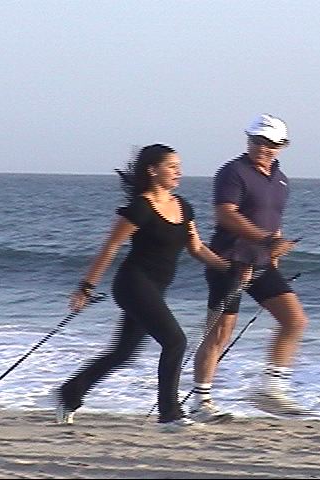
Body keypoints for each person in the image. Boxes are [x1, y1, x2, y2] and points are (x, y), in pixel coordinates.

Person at [55, 144, 229, 432]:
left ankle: (69, 394)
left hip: (155, 288)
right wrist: (85, 288)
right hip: (133, 284)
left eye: (179, 166)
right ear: (152, 170)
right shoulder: (141, 208)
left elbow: (197, 248)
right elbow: (110, 247)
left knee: (123, 353)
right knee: (175, 341)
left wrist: (230, 269)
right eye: (172, 166)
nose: (179, 172)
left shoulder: (183, 206)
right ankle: (169, 415)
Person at [188, 114, 310, 422]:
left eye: (270, 144)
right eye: (257, 141)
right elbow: (225, 215)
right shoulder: (233, 172)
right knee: (219, 333)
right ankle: (200, 402)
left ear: (282, 146)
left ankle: (271, 390)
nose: (262, 148)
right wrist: (267, 241)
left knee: (294, 321)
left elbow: (273, 220)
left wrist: (274, 251)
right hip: (228, 262)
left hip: (262, 263)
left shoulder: (281, 180)